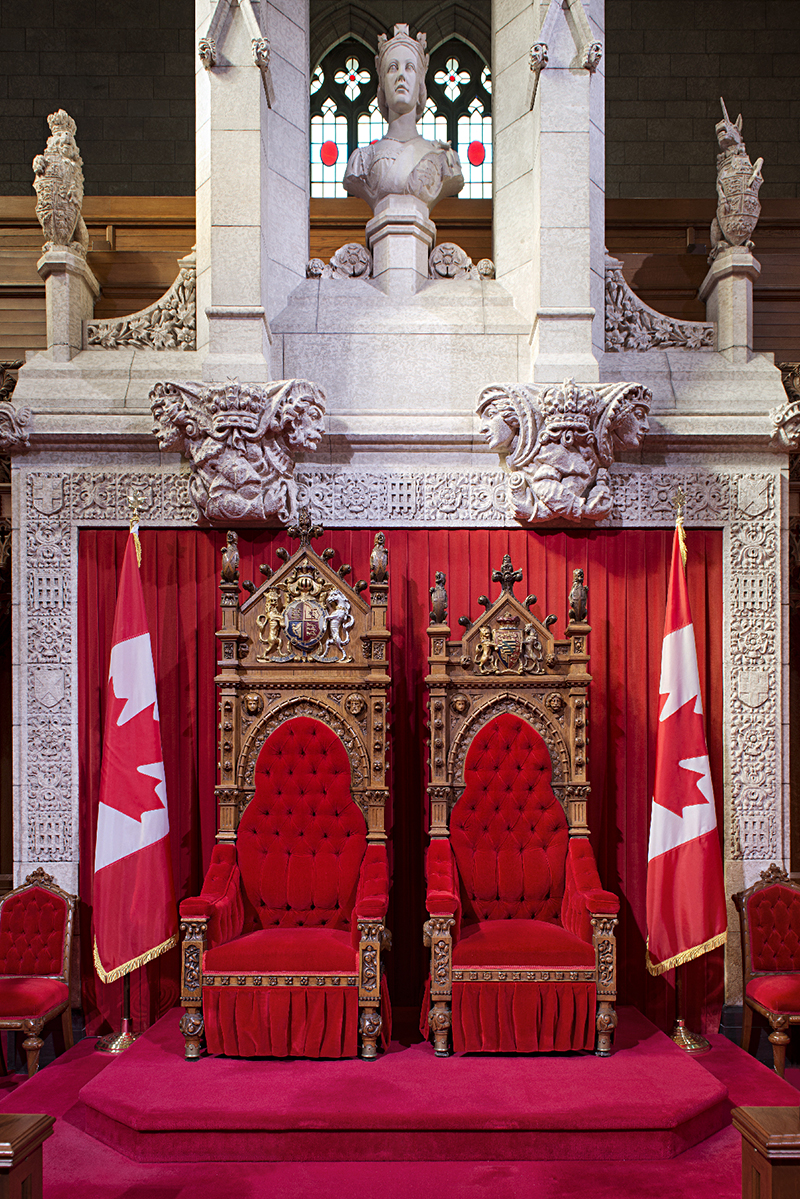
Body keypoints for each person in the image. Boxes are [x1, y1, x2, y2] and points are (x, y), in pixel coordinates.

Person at [343, 24, 463, 213]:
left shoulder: (443, 157)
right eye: (393, 67)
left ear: (420, 87)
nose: (401, 75)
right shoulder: (362, 159)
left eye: (410, 68)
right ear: (382, 87)